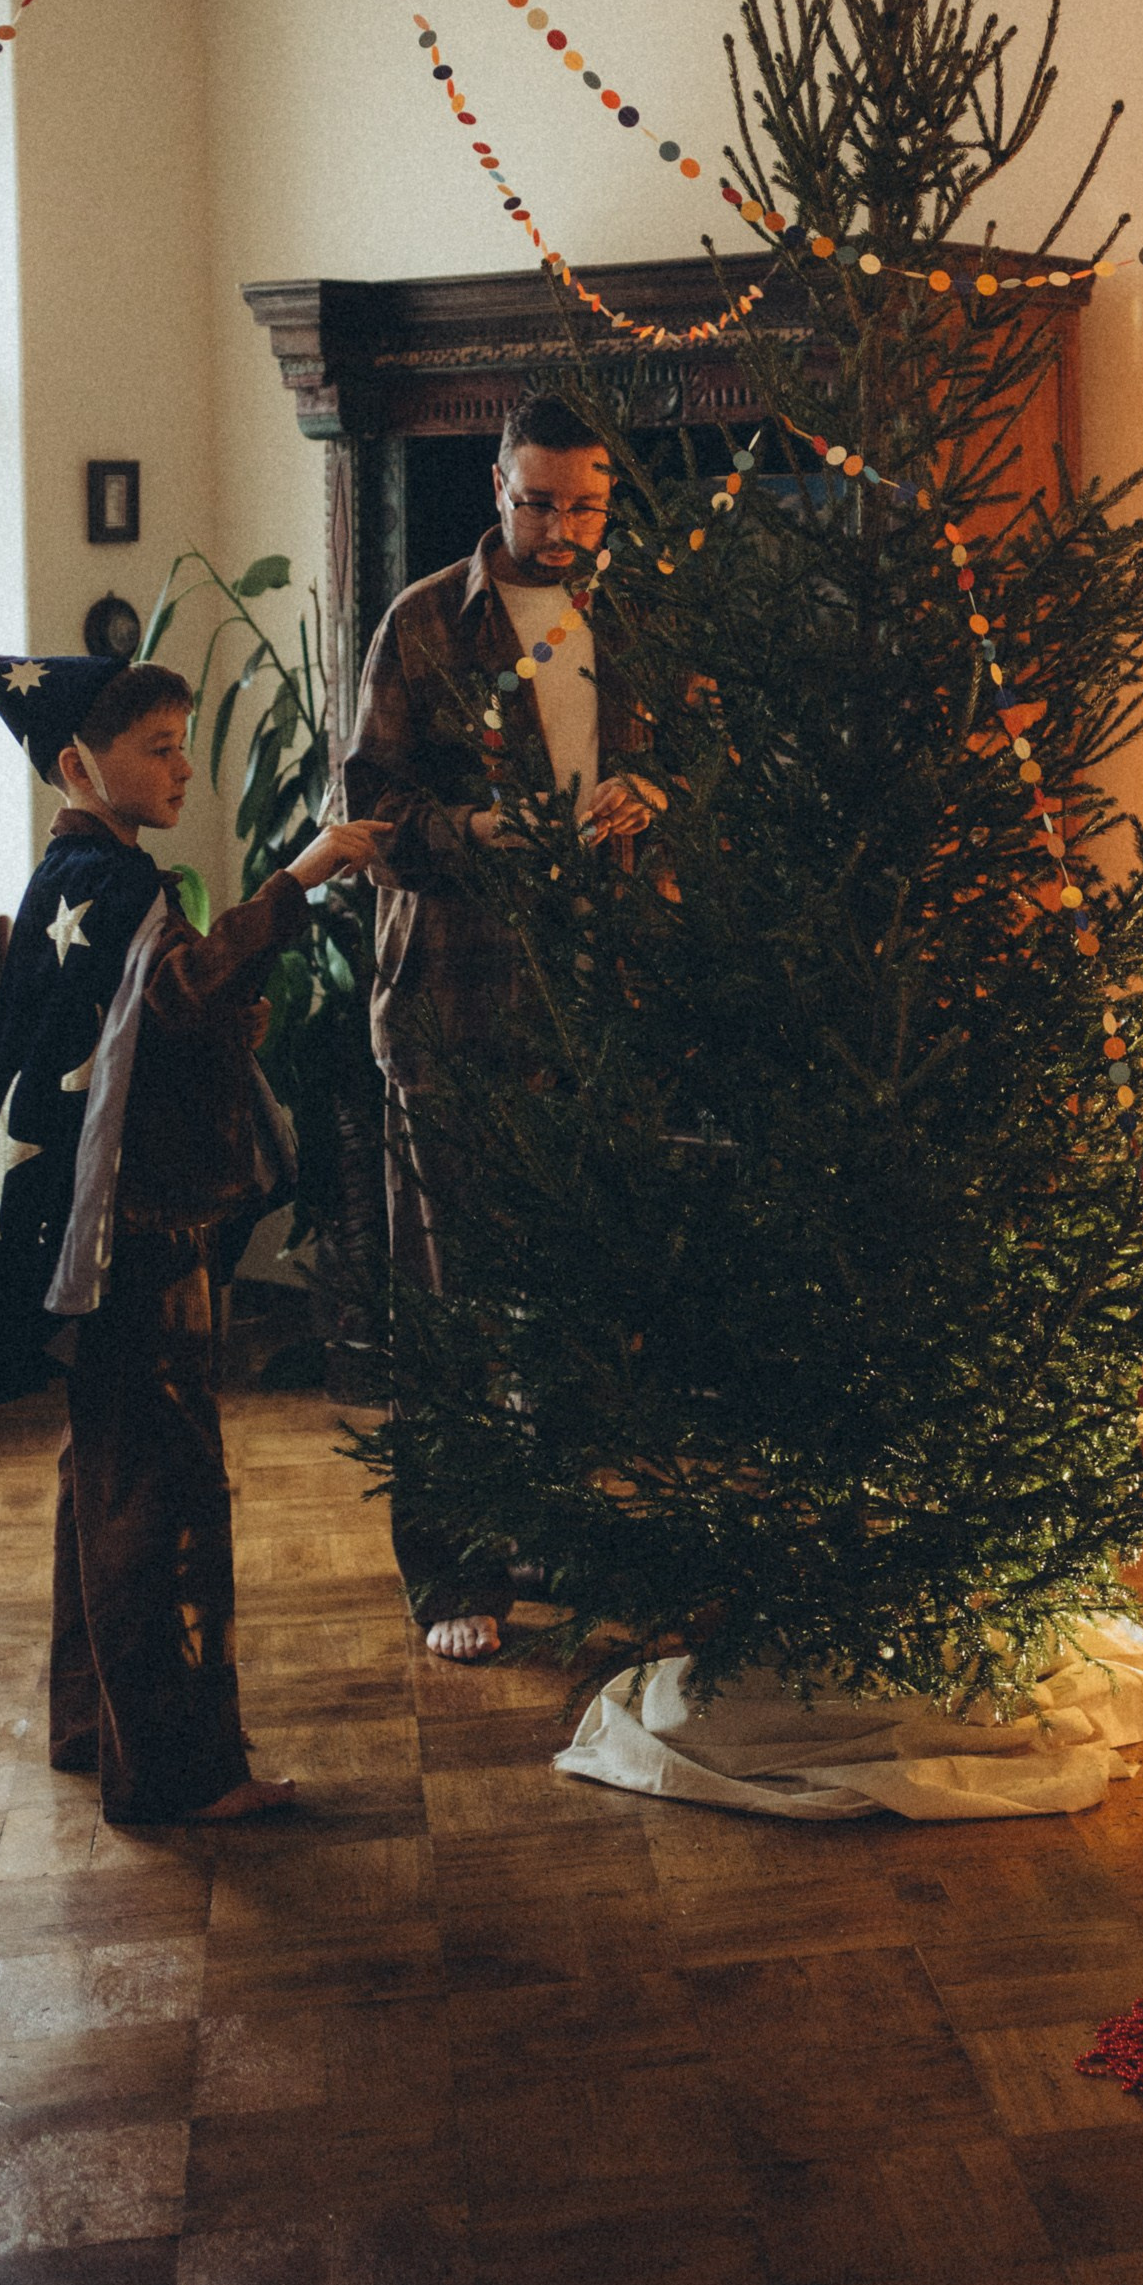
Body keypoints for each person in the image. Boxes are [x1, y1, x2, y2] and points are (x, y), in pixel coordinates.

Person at [0, 620, 382, 1825]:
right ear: (80, 767)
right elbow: (187, 989)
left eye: (185, 746)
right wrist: (305, 875)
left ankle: (94, 1726)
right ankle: (179, 1776)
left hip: (117, 1237)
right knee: (164, 1491)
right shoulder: (111, 884)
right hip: (142, 1236)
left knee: (109, 1476)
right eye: (160, 748)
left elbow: (160, 1031)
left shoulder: (73, 880)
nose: (185, 771)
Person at [342, 389, 655, 1662]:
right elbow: (370, 824)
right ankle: (452, 1574)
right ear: (495, 486)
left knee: (578, 1297)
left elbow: (710, 757)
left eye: (585, 503)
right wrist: (489, 833)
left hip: (603, 1008)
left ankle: (565, 1544)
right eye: (539, 501)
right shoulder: (422, 623)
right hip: (453, 1008)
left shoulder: (639, 613)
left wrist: (661, 791)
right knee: (450, 1306)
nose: (563, 526)